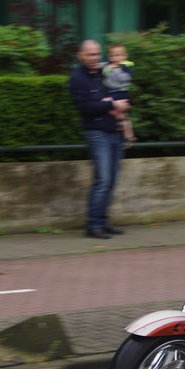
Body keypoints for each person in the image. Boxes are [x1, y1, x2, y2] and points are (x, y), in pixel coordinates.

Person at [68, 39, 131, 240]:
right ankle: (93, 224)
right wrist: (111, 104)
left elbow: (123, 90)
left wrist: (121, 102)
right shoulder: (77, 78)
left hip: (115, 130)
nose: (94, 58)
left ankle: (103, 222)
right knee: (102, 180)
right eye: (90, 54)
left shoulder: (106, 72)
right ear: (80, 56)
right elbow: (84, 107)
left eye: (97, 54)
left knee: (111, 180)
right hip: (97, 133)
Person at [101, 44, 137, 147]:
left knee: (121, 114)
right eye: (113, 55)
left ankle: (128, 136)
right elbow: (99, 66)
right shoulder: (108, 65)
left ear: (125, 56)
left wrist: (115, 70)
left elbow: (126, 78)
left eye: (119, 55)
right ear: (109, 57)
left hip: (121, 93)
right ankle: (124, 133)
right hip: (111, 93)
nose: (116, 58)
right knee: (118, 114)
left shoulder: (126, 66)